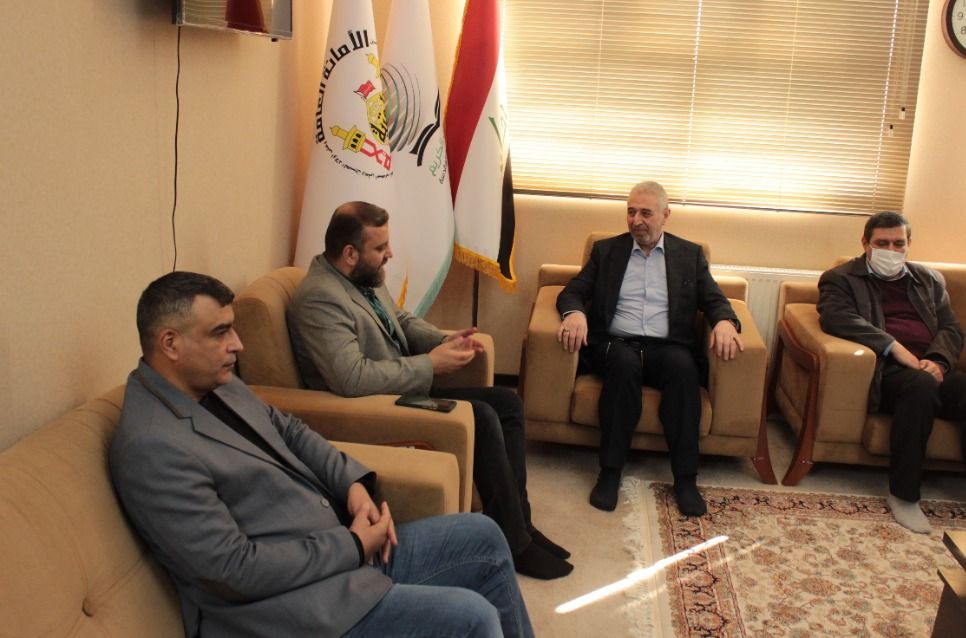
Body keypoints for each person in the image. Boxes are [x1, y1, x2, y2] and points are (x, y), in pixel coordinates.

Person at [109, 271, 534, 638]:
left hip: (341, 555)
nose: (237, 345)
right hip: (296, 608)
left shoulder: (214, 382)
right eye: (220, 332)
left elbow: (290, 431)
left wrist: (352, 485)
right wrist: (352, 545)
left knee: (484, 533)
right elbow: (235, 570)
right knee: (471, 618)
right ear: (170, 343)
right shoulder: (153, 447)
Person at [288, 202, 571, 580]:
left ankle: (521, 524)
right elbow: (351, 379)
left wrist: (443, 339)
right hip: (376, 405)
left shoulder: (360, 276)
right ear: (350, 253)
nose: (390, 253)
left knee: (508, 403)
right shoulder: (320, 298)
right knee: (483, 416)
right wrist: (430, 364)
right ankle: (515, 543)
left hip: (398, 383)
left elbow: (400, 321)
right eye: (380, 247)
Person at [556, 181, 743, 516]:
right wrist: (575, 314)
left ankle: (685, 479)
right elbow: (572, 292)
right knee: (623, 366)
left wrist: (726, 322)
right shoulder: (606, 251)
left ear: (665, 215)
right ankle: (610, 472)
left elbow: (715, 299)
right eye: (631, 212)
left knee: (684, 370)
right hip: (616, 343)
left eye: (645, 213)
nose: (636, 220)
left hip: (667, 347)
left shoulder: (689, 255)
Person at [817, 211, 966, 534]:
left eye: (898, 243)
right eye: (882, 243)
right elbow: (836, 318)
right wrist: (893, 347)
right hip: (887, 373)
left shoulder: (929, 280)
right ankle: (904, 496)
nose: (891, 250)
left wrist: (938, 361)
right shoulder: (841, 278)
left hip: (931, 368)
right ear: (865, 243)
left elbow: (951, 328)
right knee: (920, 385)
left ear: (909, 244)